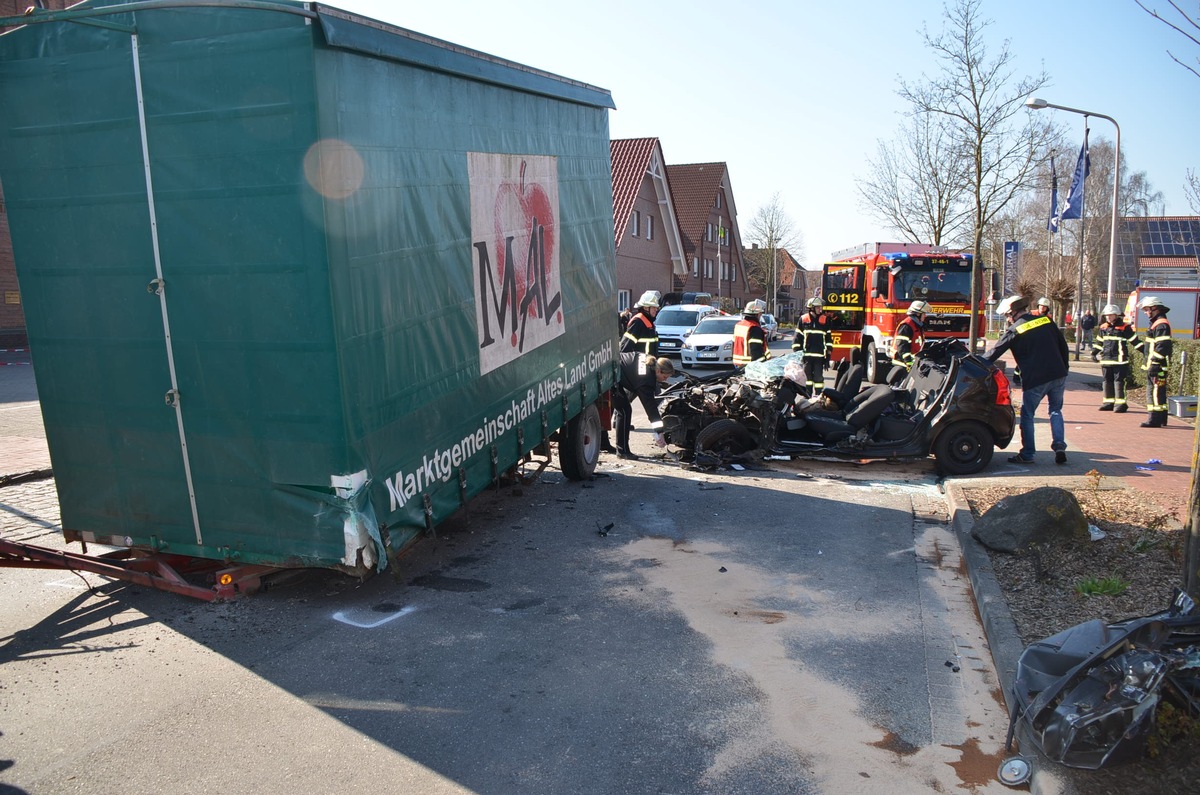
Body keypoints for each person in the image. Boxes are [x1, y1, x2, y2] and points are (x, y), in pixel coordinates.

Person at [986, 295, 1070, 464]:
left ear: (1014, 313)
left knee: (1027, 414)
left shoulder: (1015, 329)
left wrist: (972, 362)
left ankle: (1028, 454)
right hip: (1058, 374)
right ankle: (1059, 444)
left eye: (1008, 316)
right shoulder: (1045, 321)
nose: (1008, 319)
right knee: (1055, 410)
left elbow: (993, 353)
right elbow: (1063, 346)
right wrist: (1064, 368)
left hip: (1036, 379)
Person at [612, 352, 674, 459]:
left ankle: (604, 443)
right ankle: (622, 451)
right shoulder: (645, 380)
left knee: (621, 408)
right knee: (624, 411)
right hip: (612, 374)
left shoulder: (650, 360)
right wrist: (660, 432)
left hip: (615, 364)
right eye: (664, 377)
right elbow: (651, 410)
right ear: (658, 371)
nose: (665, 380)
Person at [1091, 304, 1138, 413]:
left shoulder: (1125, 327)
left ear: (1116, 315)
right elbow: (1099, 342)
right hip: (1106, 360)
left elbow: (1135, 341)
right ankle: (1108, 403)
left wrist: (1145, 351)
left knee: (1119, 382)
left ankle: (1121, 404)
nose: (1108, 317)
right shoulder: (1103, 327)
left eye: (1110, 315)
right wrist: (1094, 353)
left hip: (1120, 361)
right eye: (1107, 315)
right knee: (1107, 381)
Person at [1138, 295, 1174, 428]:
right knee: (1159, 392)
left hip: (1157, 366)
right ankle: (1162, 418)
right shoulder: (1158, 322)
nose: (1146, 312)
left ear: (1155, 308)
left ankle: (1154, 419)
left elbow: (1162, 345)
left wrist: (1155, 363)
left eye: (1147, 309)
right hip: (1157, 365)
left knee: (1154, 392)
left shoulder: (1160, 324)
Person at [792, 296, 832, 391]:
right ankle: (807, 399)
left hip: (819, 357)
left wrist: (828, 356)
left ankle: (818, 397)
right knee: (807, 380)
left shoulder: (825, 320)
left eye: (820, 307)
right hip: (806, 357)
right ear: (812, 308)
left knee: (818, 379)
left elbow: (829, 340)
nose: (820, 309)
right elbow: (797, 340)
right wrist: (798, 355)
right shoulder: (803, 319)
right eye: (818, 307)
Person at [892, 301, 929, 371]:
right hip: (902, 365)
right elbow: (902, 346)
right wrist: (908, 362)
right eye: (924, 313)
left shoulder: (917, 326)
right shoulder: (906, 326)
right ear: (918, 314)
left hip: (911, 364)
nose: (925, 316)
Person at [733, 299, 770, 366]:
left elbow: (734, 344)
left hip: (738, 363)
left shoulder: (739, 325)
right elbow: (755, 350)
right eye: (760, 313)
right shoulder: (754, 328)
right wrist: (762, 364)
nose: (761, 315)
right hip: (750, 364)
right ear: (757, 314)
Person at [621, 291, 660, 356]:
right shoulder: (637, 322)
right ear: (645, 308)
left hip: (650, 364)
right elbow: (625, 349)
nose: (656, 309)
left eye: (656, 307)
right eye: (653, 307)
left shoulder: (650, 322)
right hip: (640, 364)